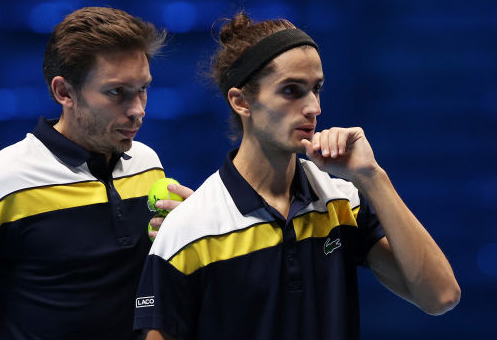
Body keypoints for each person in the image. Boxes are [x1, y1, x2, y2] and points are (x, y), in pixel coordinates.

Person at [133, 12, 461, 340]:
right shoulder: (188, 227)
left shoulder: (343, 201)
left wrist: (372, 176)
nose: (313, 107)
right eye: (292, 90)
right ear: (241, 101)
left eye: (316, 89)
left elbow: (441, 296)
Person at [0, 7, 192, 340]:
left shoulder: (148, 163)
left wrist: (191, 234)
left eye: (143, 89)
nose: (138, 110)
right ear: (64, 92)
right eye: (116, 92)